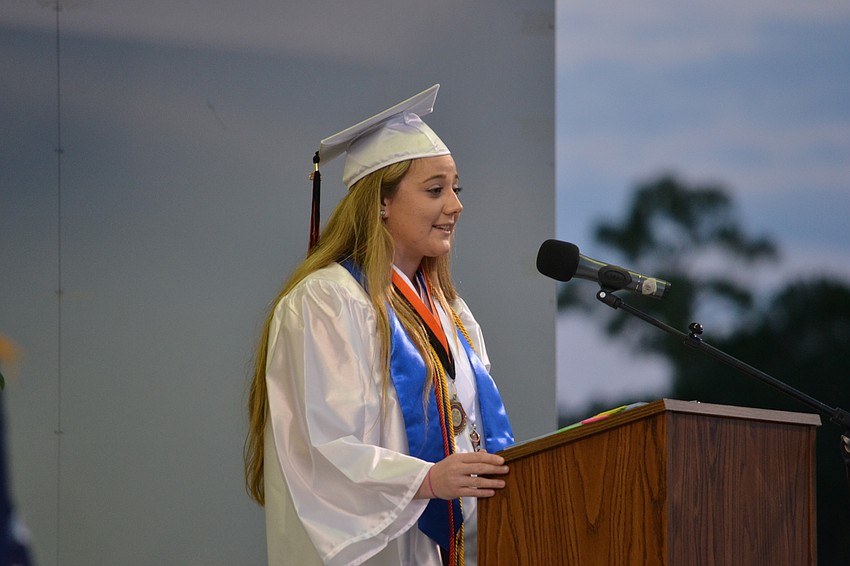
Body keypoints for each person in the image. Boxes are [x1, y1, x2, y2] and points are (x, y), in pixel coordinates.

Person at [244, 85, 514, 566]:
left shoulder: (453, 313)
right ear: (382, 203)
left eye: (456, 188)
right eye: (435, 190)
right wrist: (426, 481)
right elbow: (321, 448)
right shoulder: (327, 302)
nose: (455, 205)